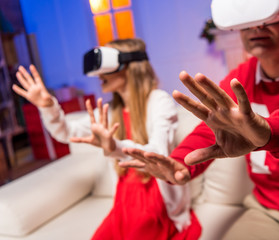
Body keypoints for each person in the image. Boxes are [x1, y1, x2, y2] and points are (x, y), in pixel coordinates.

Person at [119, 1, 279, 239]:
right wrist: (180, 162)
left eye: (268, 19)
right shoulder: (240, 78)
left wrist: (269, 132)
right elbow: (212, 128)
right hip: (265, 212)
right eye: (247, 23)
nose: (256, 28)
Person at [12, 38, 201, 239]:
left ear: (128, 67)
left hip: (154, 200)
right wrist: (47, 106)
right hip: (123, 202)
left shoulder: (159, 101)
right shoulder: (111, 111)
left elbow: (157, 154)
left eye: (105, 66)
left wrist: (114, 146)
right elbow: (65, 131)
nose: (99, 75)